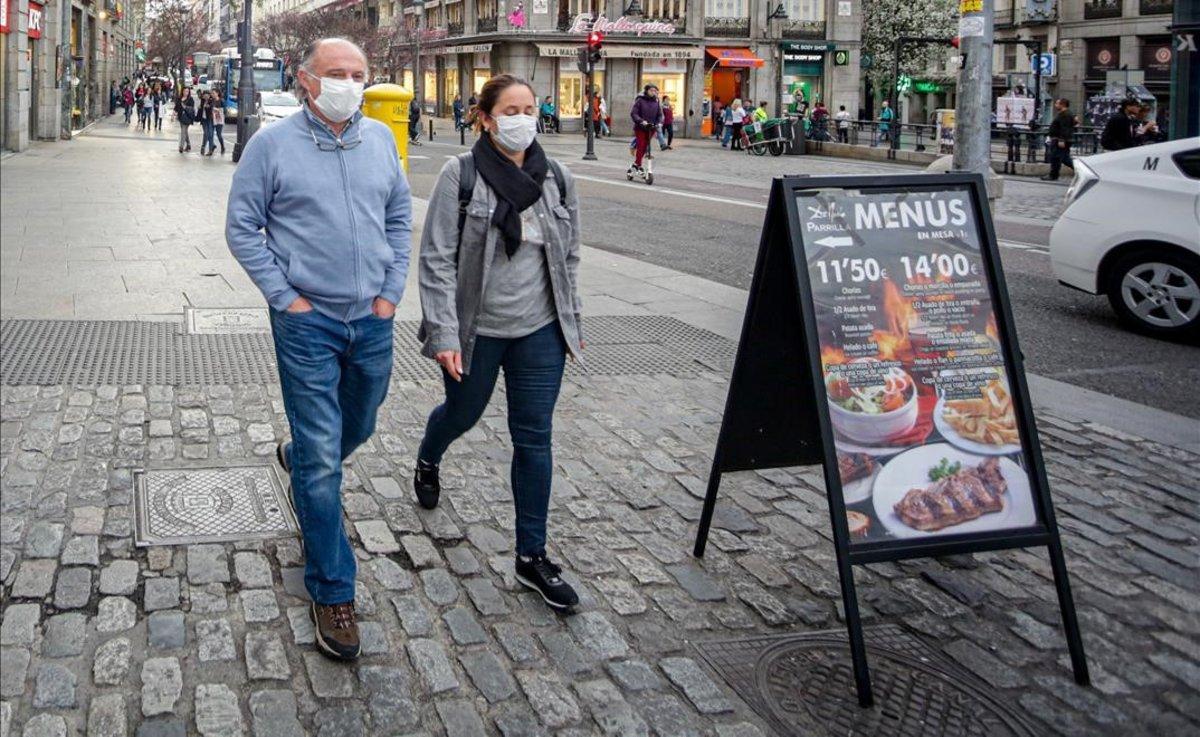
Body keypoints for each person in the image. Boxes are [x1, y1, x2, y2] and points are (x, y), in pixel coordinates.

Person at [226, 38, 412, 661]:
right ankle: (333, 590)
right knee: (326, 463)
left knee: (356, 423)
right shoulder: (271, 146)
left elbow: (396, 216)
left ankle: (299, 455)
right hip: (308, 322)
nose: (351, 84)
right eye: (338, 74)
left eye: (360, 74)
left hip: (373, 319)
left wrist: (390, 293)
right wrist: (285, 297)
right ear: (307, 80)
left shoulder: (381, 141)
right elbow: (241, 225)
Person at [414, 73, 583, 611]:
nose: (523, 119)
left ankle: (532, 555)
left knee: (534, 437)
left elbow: (569, 254)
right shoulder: (460, 175)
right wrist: (444, 333)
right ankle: (429, 456)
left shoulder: (555, 176)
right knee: (462, 414)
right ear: (485, 118)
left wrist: (567, 320)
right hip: (476, 331)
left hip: (539, 332)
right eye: (511, 109)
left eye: (529, 108)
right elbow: (437, 259)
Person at [629, 84, 662, 172]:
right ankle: (638, 164)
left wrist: (659, 123)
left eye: (655, 91)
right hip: (640, 127)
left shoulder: (656, 101)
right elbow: (634, 113)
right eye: (651, 90)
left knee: (645, 146)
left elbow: (659, 115)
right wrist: (641, 121)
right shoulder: (640, 100)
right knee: (641, 145)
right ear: (646, 91)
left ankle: (636, 163)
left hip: (651, 128)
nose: (653, 92)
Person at [1041, 98, 1075, 181]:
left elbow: (1064, 128)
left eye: (1057, 103)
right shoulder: (1066, 114)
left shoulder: (1065, 114)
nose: (1055, 105)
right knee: (1059, 158)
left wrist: (1061, 140)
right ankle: (1054, 175)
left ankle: (1053, 175)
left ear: (1062, 105)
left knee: (1060, 158)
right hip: (1059, 139)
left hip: (1059, 140)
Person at [175, 87, 196, 153]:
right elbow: (176, 107)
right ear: (182, 91)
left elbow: (192, 108)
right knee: (185, 132)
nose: (186, 92)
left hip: (187, 118)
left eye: (187, 91)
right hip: (181, 117)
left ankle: (181, 146)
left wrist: (185, 107)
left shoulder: (190, 99)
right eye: (184, 91)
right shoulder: (179, 98)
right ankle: (188, 145)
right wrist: (173, 115)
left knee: (183, 131)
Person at [198, 90, 215, 155]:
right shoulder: (202, 101)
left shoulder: (211, 101)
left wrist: (209, 107)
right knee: (206, 133)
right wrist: (200, 108)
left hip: (210, 119)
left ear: (209, 95)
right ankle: (203, 147)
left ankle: (210, 150)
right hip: (204, 120)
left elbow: (212, 108)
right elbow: (200, 111)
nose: (206, 96)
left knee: (210, 134)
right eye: (204, 95)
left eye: (207, 95)